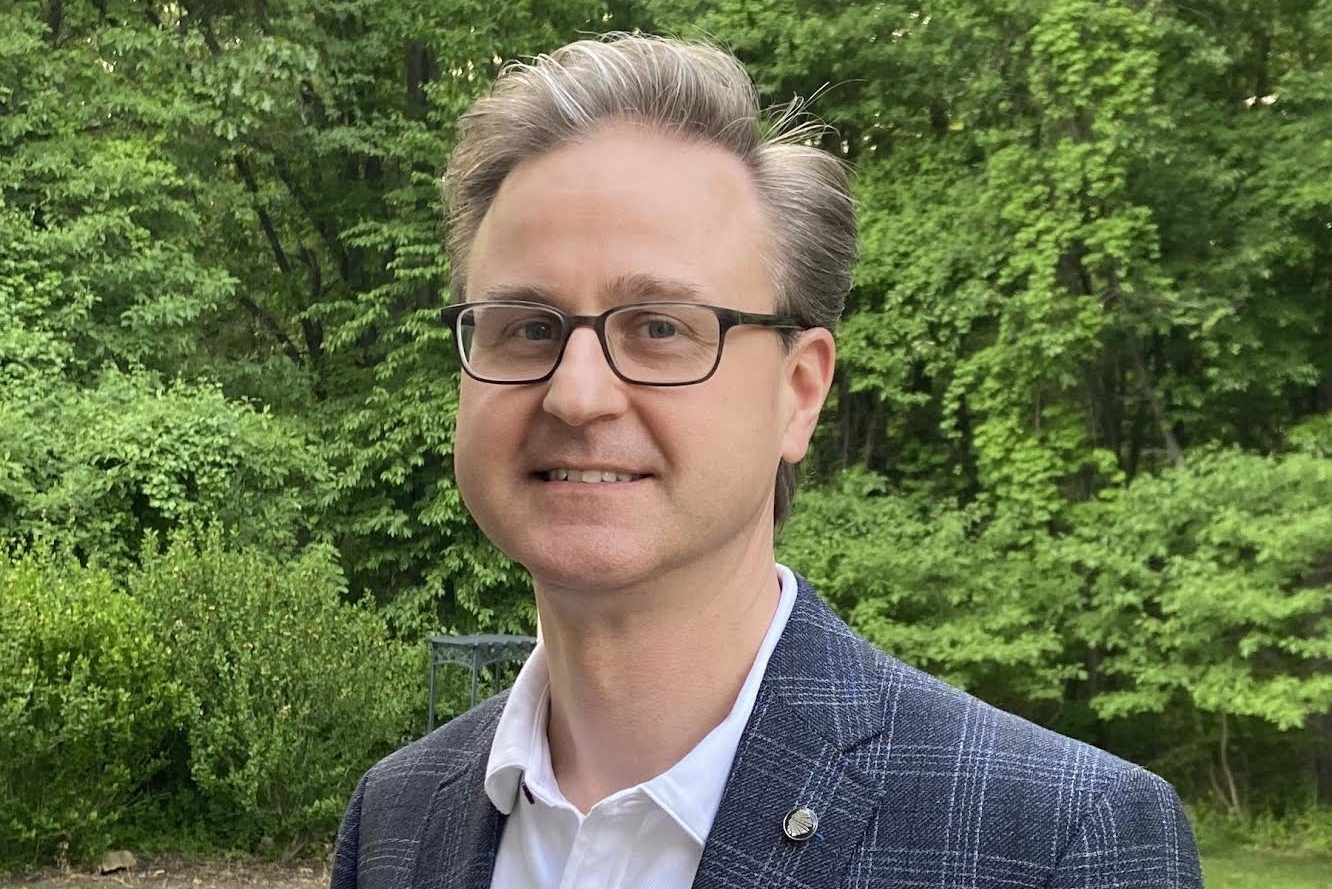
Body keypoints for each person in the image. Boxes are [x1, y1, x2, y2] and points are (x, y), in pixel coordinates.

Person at [332, 34, 1202, 889]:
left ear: (799, 391)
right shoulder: (396, 821)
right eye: (528, 327)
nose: (578, 394)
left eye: (661, 328)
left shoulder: (1059, 842)